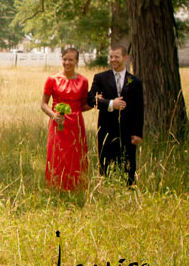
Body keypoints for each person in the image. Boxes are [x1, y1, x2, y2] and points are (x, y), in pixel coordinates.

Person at [87, 44, 144, 185]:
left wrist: (137, 133)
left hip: (128, 130)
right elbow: (90, 100)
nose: (113, 60)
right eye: (111, 57)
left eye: (116, 57)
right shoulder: (100, 78)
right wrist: (111, 104)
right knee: (105, 162)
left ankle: (129, 190)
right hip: (106, 129)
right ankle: (105, 189)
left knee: (128, 164)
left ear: (125, 58)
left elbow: (139, 109)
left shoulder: (135, 81)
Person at [40, 47, 91, 191]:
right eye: (64, 59)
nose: (67, 62)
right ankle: (55, 186)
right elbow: (43, 104)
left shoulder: (83, 81)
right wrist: (53, 115)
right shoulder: (52, 79)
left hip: (76, 124)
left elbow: (83, 106)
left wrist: (96, 103)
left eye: (71, 59)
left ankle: (76, 186)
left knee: (75, 155)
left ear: (77, 61)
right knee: (57, 154)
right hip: (57, 123)